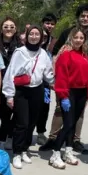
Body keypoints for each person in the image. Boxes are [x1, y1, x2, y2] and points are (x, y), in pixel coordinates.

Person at [42, 4, 88, 154]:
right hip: (66, 81)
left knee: (79, 112)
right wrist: (54, 79)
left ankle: (74, 140)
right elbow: (56, 55)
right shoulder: (67, 32)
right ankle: (53, 138)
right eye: (83, 15)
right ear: (78, 17)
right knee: (60, 109)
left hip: (86, 81)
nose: (85, 18)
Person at [2, 25, 54, 169]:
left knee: (32, 123)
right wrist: (9, 95)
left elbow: (48, 73)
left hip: (37, 90)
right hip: (21, 91)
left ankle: (25, 149)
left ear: (41, 38)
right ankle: (17, 153)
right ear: (27, 35)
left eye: (37, 34)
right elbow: (10, 73)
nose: (34, 37)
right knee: (22, 123)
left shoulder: (43, 54)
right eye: (32, 34)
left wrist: (56, 84)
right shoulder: (20, 52)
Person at [49, 28, 88, 169]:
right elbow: (61, 76)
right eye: (76, 37)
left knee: (73, 123)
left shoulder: (84, 55)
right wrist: (63, 96)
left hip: (81, 93)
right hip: (69, 92)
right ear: (71, 38)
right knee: (67, 123)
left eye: (81, 38)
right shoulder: (66, 54)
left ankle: (68, 150)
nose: (79, 40)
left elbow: (86, 75)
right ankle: (55, 153)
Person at [0, 17, 21, 150]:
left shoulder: (20, 45)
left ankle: (7, 138)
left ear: (15, 29)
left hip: (15, 84)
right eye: (6, 26)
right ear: (1, 28)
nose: (8, 29)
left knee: (11, 114)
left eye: (11, 26)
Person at [35, 13, 58, 145]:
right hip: (32, 79)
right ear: (42, 23)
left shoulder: (54, 41)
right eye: (47, 23)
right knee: (30, 106)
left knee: (45, 106)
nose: (49, 26)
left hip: (46, 82)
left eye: (52, 24)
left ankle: (40, 133)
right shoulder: (35, 37)